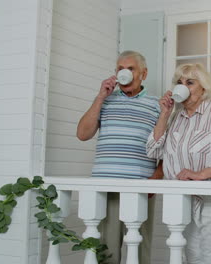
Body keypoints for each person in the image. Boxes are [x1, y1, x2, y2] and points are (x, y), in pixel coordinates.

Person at [146, 63, 211, 264]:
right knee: (188, 255)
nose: (183, 87)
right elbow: (153, 150)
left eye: (190, 82)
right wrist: (164, 113)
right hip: (182, 198)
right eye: (179, 83)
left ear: (204, 87)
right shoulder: (175, 117)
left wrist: (200, 174)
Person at [77, 50, 162, 264]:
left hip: (140, 189)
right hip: (106, 187)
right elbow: (83, 134)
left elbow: (166, 149)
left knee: (140, 251)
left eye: (131, 69)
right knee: (107, 252)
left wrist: (155, 180)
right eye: (120, 69)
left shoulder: (156, 105)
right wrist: (100, 97)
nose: (125, 73)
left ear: (143, 73)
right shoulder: (104, 101)